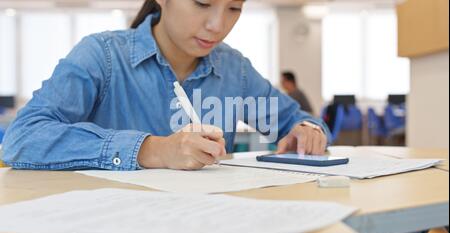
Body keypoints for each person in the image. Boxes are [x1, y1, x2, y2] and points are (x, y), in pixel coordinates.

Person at [2, 0, 331, 171]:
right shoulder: (102, 56)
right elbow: (22, 139)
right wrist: (152, 150)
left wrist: (305, 130)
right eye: (202, 3)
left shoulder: (235, 70)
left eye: (234, 8)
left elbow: (298, 121)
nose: (218, 26)